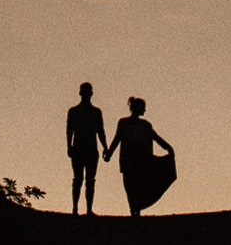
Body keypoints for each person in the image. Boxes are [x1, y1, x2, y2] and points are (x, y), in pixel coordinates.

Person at [102, 95, 176, 217]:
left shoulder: (142, 125)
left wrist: (168, 147)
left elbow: (155, 138)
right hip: (131, 159)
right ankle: (134, 208)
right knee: (131, 184)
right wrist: (109, 153)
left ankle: (135, 209)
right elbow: (118, 139)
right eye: (143, 108)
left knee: (134, 184)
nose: (145, 110)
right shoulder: (128, 123)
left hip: (139, 160)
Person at [65, 82, 106, 215]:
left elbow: (100, 131)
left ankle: (82, 209)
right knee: (83, 179)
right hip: (84, 149)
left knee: (84, 179)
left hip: (86, 149)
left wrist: (105, 147)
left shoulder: (79, 111)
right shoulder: (85, 112)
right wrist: (69, 146)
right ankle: (78, 208)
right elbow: (69, 130)